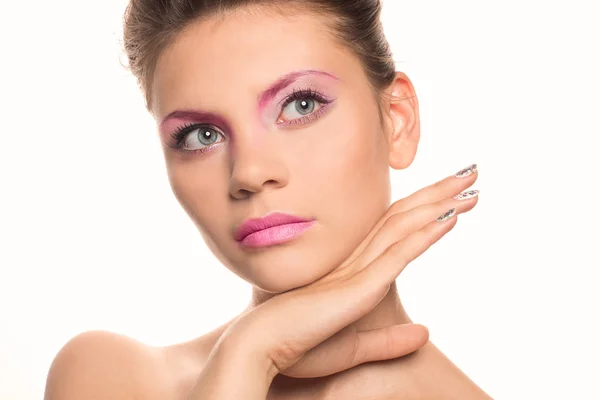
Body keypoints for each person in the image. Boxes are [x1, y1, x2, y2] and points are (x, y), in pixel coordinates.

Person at [44, 0, 490, 399]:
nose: (250, 173)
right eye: (202, 135)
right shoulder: (109, 379)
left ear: (397, 121)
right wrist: (250, 353)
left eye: (300, 106)